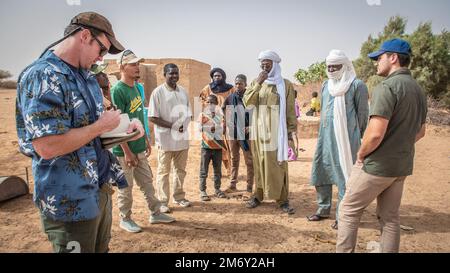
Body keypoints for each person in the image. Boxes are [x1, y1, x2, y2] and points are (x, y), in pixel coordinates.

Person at [15, 12, 146, 252]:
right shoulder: (44, 76)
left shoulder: (86, 76)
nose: (101, 57)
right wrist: (100, 126)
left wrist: (125, 131)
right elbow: (47, 146)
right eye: (102, 49)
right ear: (85, 36)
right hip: (69, 202)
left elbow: (92, 132)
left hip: (98, 190)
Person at [336, 39, 427, 253]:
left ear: (393, 58)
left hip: (377, 165)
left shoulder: (387, 87)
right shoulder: (418, 90)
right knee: (390, 219)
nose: (376, 62)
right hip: (401, 166)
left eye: (379, 57)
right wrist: (398, 144)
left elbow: (375, 134)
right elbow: (421, 132)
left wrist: (361, 153)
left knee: (348, 210)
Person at [111, 50, 175, 233]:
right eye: (133, 64)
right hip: (124, 151)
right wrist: (127, 151)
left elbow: (139, 116)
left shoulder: (137, 88)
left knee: (147, 183)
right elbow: (118, 125)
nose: (137, 67)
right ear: (122, 67)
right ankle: (126, 218)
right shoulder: (118, 91)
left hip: (138, 146)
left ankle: (155, 213)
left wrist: (146, 139)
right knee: (126, 187)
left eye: (138, 64)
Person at [307, 50, 369, 230]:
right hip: (325, 139)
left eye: (336, 65)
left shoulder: (357, 85)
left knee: (345, 178)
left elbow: (363, 115)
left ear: (346, 65)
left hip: (346, 141)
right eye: (329, 66)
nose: (332, 69)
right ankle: (323, 208)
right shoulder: (326, 85)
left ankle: (343, 216)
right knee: (321, 173)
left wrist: (359, 137)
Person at [243, 50, 297, 214]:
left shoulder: (285, 85)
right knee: (259, 163)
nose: (264, 66)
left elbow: (289, 110)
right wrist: (259, 83)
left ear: (275, 64)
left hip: (277, 134)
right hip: (259, 133)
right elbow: (247, 103)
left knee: (278, 165)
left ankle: (282, 199)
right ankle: (257, 195)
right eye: (262, 63)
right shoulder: (256, 82)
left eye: (268, 63)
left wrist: (290, 133)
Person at [149, 63, 191, 213]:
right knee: (163, 172)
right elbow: (153, 117)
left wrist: (183, 125)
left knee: (180, 170)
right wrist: (172, 125)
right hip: (165, 140)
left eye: (176, 73)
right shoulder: (158, 92)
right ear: (164, 74)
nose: (174, 76)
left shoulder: (183, 92)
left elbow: (188, 113)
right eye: (171, 73)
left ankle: (179, 197)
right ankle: (162, 201)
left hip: (182, 139)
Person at [200, 68, 235, 176]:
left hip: (226, 121)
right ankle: (216, 171)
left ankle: (229, 170)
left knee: (227, 147)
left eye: (219, 76)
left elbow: (234, 102)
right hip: (212, 121)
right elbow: (202, 101)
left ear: (223, 77)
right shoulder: (208, 88)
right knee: (213, 146)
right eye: (214, 76)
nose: (216, 78)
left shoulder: (230, 89)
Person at [223, 74, 254, 194]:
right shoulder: (231, 97)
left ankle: (249, 186)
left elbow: (256, 113)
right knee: (234, 159)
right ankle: (232, 184)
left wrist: (251, 126)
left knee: (249, 161)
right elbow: (224, 109)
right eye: (236, 83)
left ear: (245, 84)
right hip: (233, 134)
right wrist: (227, 124)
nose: (237, 85)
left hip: (246, 135)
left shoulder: (249, 98)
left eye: (240, 83)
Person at [198, 95, 227, 201]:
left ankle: (217, 189)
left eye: (213, 102)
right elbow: (199, 128)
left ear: (217, 104)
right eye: (208, 102)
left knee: (217, 170)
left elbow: (223, 130)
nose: (210, 105)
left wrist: (214, 128)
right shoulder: (202, 115)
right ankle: (202, 190)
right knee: (203, 170)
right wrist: (212, 127)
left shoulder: (220, 115)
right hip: (206, 146)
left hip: (217, 147)